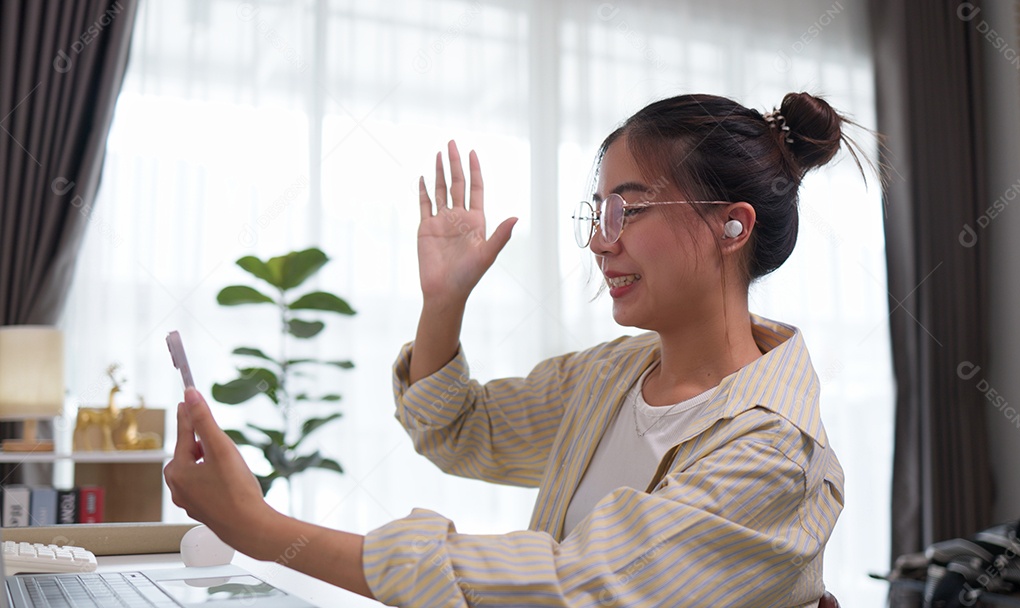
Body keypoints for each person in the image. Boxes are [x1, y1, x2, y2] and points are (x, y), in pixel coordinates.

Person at [166, 91, 856, 607]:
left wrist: (261, 529)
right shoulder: (612, 376)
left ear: (732, 227)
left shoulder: (773, 454)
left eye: (630, 209)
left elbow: (567, 589)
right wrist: (444, 303)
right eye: (599, 211)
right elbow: (457, 430)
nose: (600, 240)